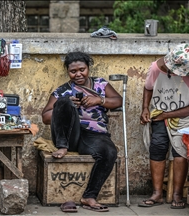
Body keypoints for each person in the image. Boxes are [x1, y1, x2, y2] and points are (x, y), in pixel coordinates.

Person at [41, 51, 122, 212]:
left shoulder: (100, 84)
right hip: (70, 134)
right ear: (68, 72)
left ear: (88, 68)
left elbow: (118, 101)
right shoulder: (63, 90)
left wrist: (100, 100)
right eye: (73, 71)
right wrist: (67, 107)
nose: (78, 74)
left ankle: (89, 196)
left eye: (82, 69)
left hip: (94, 135)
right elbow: (45, 117)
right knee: (63, 102)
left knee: (109, 152)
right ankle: (62, 147)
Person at [139, 44, 189, 209]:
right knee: (157, 146)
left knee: (180, 150)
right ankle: (157, 193)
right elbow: (148, 88)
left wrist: (167, 115)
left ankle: (177, 194)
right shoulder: (156, 68)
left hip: (185, 117)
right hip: (161, 112)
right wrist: (145, 108)